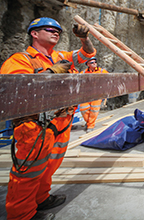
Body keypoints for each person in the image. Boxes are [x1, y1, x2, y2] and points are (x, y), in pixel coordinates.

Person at [0, 17, 96, 220]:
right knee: (28, 173)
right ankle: (21, 215)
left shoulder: (61, 55)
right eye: (49, 29)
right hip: (35, 127)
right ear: (34, 33)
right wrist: (51, 72)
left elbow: (87, 54)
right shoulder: (21, 60)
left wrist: (84, 38)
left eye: (58, 31)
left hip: (59, 124)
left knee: (49, 166)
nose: (56, 33)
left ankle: (41, 199)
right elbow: (15, 89)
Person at [79, 57, 109, 133]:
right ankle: (89, 122)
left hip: (97, 94)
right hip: (86, 94)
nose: (94, 63)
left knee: (94, 110)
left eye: (95, 62)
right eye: (92, 62)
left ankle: (90, 126)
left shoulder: (102, 71)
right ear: (88, 64)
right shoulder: (83, 73)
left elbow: (109, 80)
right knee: (83, 109)